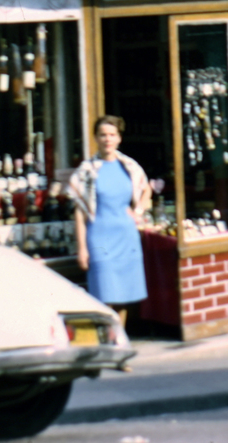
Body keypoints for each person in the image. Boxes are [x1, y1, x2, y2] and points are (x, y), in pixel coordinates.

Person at [68, 115, 150, 322]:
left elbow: (146, 189)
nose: (107, 139)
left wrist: (138, 211)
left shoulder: (129, 166)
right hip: (99, 238)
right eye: (103, 135)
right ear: (96, 137)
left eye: (112, 135)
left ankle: (118, 339)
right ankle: (106, 339)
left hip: (126, 237)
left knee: (123, 296)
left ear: (119, 138)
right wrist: (82, 248)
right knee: (104, 294)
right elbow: (79, 214)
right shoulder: (86, 171)